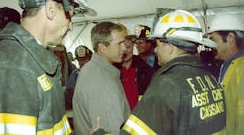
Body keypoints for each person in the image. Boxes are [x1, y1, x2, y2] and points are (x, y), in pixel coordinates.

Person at [93, 10, 226, 135]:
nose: (155, 50)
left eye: (158, 45)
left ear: (170, 47)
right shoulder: (210, 77)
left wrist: (99, 133)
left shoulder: (167, 84)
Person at [0, 0, 91, 134]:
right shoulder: (15, 66)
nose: (70, 26)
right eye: (69, 17)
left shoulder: (30, 60)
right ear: (51, 10)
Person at [72, 22, 130, 135]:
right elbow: (111, 130)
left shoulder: (93, 69)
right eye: (120, 43)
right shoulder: (102, 81)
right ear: (103, 48)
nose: (124, 48)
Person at [207, 13, 244, 135]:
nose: (210, 45)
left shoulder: (241, 68)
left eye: (213, 40)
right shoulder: (228, 65)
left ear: (230, 38)